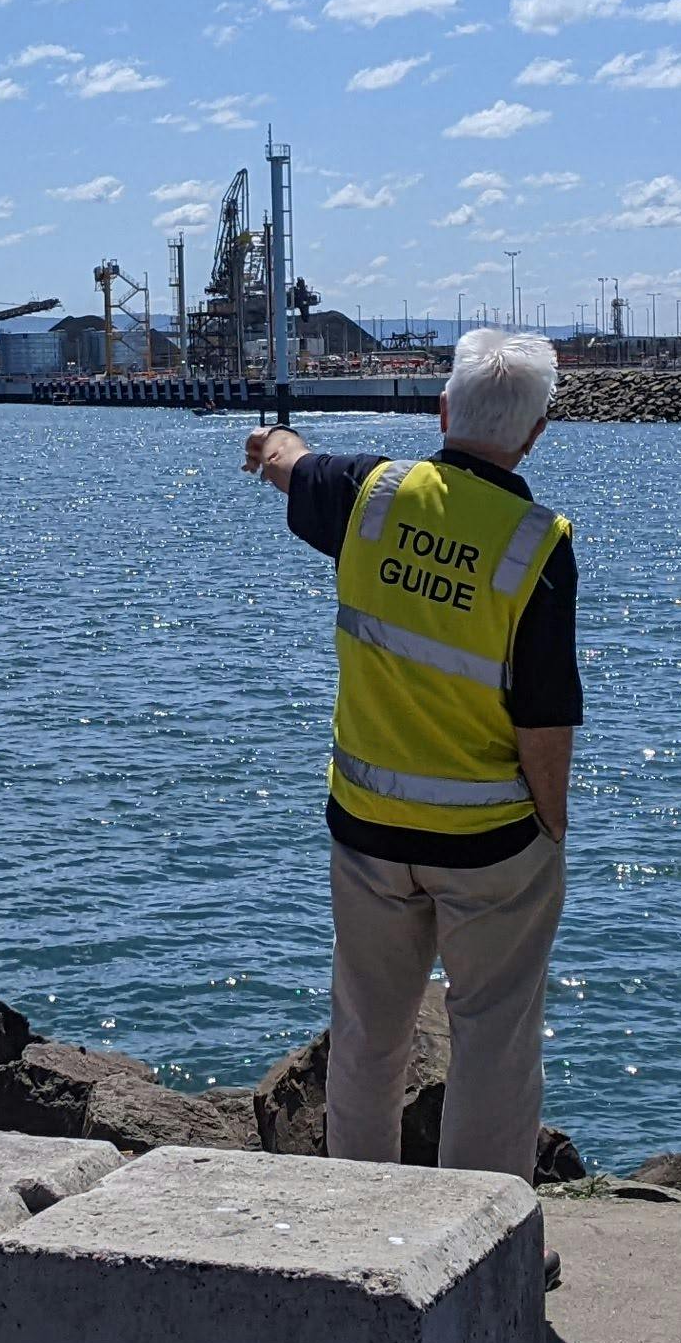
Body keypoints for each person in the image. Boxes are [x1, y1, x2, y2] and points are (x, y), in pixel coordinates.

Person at [243, 324, 575, 1186]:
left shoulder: (368, 495)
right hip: (489, 840)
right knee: (494, 1042)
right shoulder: (536, 544)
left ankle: (359, 1222)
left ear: (440, 410)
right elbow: (544, 720)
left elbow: (290, 463)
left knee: (367, 1032)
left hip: (369, 828)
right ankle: (481, 1243)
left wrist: (269, 444)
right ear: (535, 431)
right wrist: (552, 828)